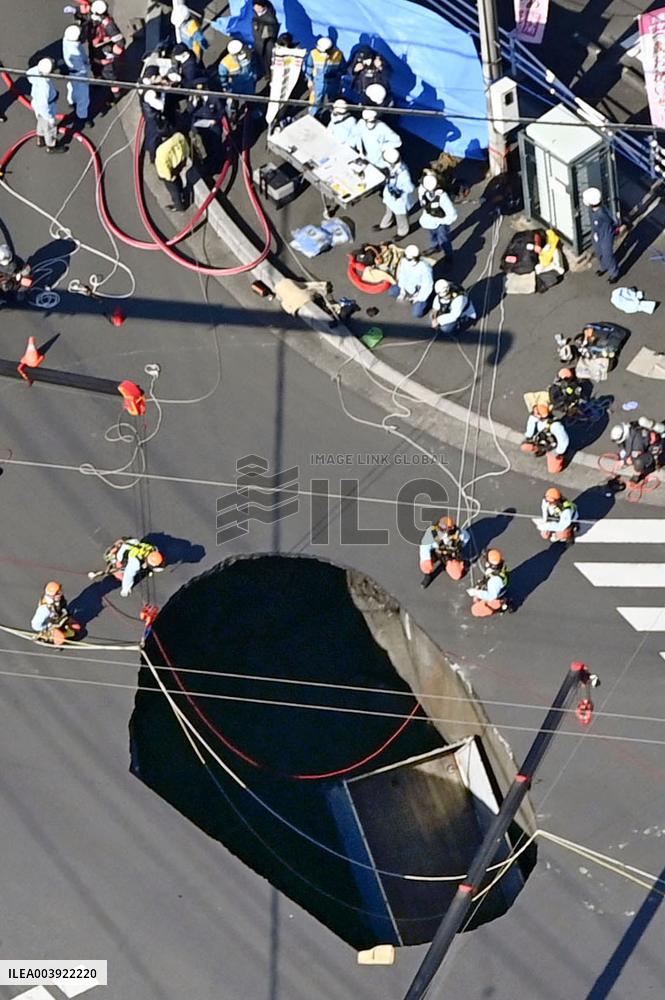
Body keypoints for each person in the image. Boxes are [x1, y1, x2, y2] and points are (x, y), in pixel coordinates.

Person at [88, 538, 165, 597]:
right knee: (121, 575)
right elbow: (128, 576)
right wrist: (125, 589)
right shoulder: (135, 564)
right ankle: (114, 559)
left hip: (131, 544)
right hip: (122, 556)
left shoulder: (152, 549)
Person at [89, 0, 125, 107]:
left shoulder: (109, 25)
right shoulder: (99, 22)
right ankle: (100, 81)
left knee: (111, 76)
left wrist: (113, 56)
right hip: (98, 50)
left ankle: (116, 95)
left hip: (107, 55)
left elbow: (120, 42)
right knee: (97, 68)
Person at [375, 146, 415, 239]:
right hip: (390, 194)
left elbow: (410, 188)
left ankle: (403, 232)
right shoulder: (391, 166)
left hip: (399, 199)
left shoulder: (403, 174)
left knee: (401, 217)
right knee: (388, 210)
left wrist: (399, 191)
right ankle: (385, 224)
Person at [582, 187, 619, 284]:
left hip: (606, 235)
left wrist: (614, 229)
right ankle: (603, 267)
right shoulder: (593, 210)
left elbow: (613, 221)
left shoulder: (602, 213)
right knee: (599, 252)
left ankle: (614, 273)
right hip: (597, 234)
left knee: (607, 255)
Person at [186, 83, 225, 177]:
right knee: (207, 146)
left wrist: (214, 120)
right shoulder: (194, 99)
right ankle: (210, 159)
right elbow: (189, 111)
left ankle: (217, 166)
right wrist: (194, 102)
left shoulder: (214, 98)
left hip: (213, 129)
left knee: (216, 148)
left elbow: (221, 111)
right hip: (203, 129)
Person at [27, 58, 64, 153]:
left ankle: (40, 138)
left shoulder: (35, 72)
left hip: (37, 105)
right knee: (49, 128)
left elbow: (29, 73)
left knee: (41, 122)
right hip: (46, 108)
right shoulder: (45, 86)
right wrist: (50, 118)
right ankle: (51, 146)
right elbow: (44, 106)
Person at [418, 171, 458, 259]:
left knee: (444, 240)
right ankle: (435, 247)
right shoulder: (422, 190)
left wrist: (441, 221)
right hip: (428, 221)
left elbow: (453, 215)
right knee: (432, 236)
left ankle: (449, 257)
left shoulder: (442, 197)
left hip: (440, 223)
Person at [419, 515, 470, 583]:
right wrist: (426, 560)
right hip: (436, 553)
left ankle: (449, 564)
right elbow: (424, 547)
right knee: (426, 566)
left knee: (456, 574)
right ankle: (428, 574)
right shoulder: (432, 533)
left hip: (450, 556)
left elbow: (465, 539)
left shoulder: (460, 534)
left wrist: (456, 552)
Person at [388, 244, 434, 318]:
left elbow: (427, 286)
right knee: (391, 292)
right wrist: (402, 292)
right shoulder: (404, 262)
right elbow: (402, 275)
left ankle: (429, 301)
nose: (407, 260)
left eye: (409, 259)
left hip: (419, 291)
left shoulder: (425, 268)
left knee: (417, 313)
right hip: (408, 286)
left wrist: (417, 298)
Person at [521, 402, 569, 471]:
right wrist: (528, 437)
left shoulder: (556, 426)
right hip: (542, 440)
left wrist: (558, 452)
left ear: (540, 416)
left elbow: (564, 441)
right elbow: (530, 428)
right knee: (525, 446)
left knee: (553, 470)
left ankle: (557, 459)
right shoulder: (534, 418)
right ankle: (540, 449)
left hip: (552, 447)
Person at [304, 37, 345, 117]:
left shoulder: (338, 54)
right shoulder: (314, 54)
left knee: (332, 100)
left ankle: (331, 116)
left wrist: (337, 75)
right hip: (318, 81)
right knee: (316, 100)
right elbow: (309, 67)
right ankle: (312, 116)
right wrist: (309, 80)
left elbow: (343, 68)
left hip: (333, 82)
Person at [218, 39, 258, 119]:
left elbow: (253, 64)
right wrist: (226, 88)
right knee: (234, 102)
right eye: (239, 52)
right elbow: (223, 77)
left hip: (248, 84)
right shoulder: (225, 64)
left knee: (251, 99)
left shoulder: (248, 53)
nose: (242, 52)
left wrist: (254, 75)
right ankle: (233, 116)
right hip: (235, 86)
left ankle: (252, 111)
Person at [63, 24, 92, 127]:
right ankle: (82, 117)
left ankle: (71, 101)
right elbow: (82, 68)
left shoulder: (66, 40)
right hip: (79, 75)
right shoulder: (75, 52)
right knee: (83, 97)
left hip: (71, 73)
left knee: (71, 87)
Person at [466, 549, 510, 618]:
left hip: (495, 597)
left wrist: (475, 592)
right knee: (477, 596)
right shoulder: (498, 569)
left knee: (475, 610)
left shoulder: (494, 580)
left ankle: (499, 606)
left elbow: (491, 596)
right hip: (497, 588)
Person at [155, 130, 189, 211]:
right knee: (178, 180)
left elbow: (163, 168)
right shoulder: (179, 137)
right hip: (178, 164)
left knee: (173, 189)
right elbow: (186, 148)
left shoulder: (161, 152)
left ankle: (179, 206)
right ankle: (182, 191)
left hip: (169, 171)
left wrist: (169, 177)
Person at [141, 88, 170, 163]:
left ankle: (149, 148)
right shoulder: (150, 95)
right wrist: (164, 91)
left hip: (150, 117)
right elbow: (161, 106)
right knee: (153, 137)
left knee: (150, 133)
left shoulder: (146, 86)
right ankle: (153, 157)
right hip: (153, 119)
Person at [252, 1, 279, 77]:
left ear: (262, 7)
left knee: (267, 60)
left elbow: (266, 36)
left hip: (265, 45)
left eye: (257, 6)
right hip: (259, 42)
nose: (254, 8)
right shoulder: (257, 14)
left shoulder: (269, 19)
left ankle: (269, 74)